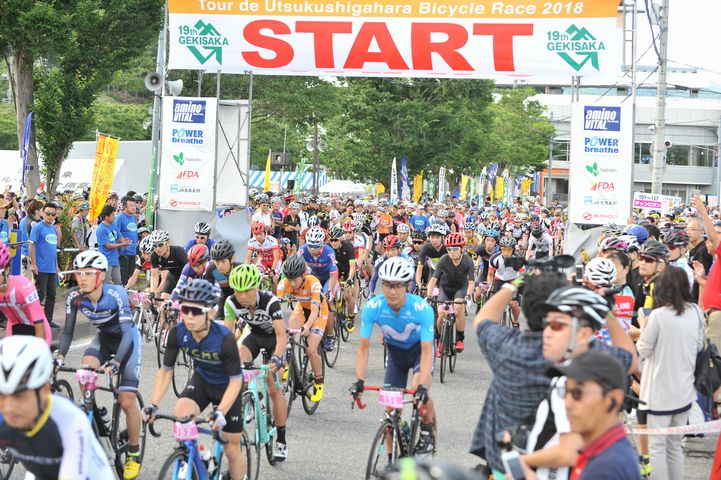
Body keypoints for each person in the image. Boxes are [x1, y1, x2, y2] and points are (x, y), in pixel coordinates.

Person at [520, 286, 638, 480]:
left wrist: (521, 462)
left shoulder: (573, 381)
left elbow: (569, 452)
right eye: (546, 324)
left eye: (557, 326)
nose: (547, 333)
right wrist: (607, 312)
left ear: (583, 335)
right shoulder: (602, 355)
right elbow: (631, 359)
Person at [143, 279, 247, 479]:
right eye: (185, 309)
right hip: (203, 381)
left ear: (211, 312)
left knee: (232, 449)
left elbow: (236, 381)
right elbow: (166, 371)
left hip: (227, 388)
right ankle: (203, 456)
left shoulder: (225, 338)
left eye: (197, 310)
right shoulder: (178, 332)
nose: (189, 316)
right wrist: (153, 405)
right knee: (181, 418)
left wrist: (221, 412)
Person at [470, 272, 569, 477]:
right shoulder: (578, 355)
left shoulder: (508, 347)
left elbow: (482, 319)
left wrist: (513, 285)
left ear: (525, 309)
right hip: (556, 466)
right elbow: (627, 358)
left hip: (506, 461)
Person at [56, 250, 143, 479]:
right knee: (84, 374)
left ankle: (133, 452)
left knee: (126, 400)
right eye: (78, 272)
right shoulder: (74, 297)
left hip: (127, 342)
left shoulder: (117, 294)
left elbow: (126, 334)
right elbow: (67, 333)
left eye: (88, 273)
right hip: (104, 339)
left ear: (101, 275)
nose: (81, 277)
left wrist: (116, 363)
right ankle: (94, 415)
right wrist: (60, 357)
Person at [351, 256, 437, 455]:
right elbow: (363, 348)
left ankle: (427, 430)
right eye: (387, 285)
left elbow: (426, 350)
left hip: (418, 353)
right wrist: (359, 381)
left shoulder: (421, 309)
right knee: (390, 412)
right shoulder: (373, 307)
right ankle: (391, 462)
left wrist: (423, 386)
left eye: (397, 286)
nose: (392, 291)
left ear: (407, 286)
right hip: (396, 356)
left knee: (418, 393)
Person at [0, 336, 114, 479]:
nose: (8, 407)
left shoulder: (69, 420)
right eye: (1, 396)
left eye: (20, 396)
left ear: (44, 391)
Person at [636, 266, 704, 480]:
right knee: (675, 446)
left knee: (657, 447)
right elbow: (700, 345)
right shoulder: (696, 312)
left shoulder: (658, 316)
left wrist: (642, 325)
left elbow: (643, 350)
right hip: (684, 391)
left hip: (658, 393)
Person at [538, 351, 642, 480]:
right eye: (565, 391)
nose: (567, 403)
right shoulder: (603, 452)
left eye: (577, 393)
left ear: (613, 399)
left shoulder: (605, 469)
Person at [224, 264, 289, 461]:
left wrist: (277, 358)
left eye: (247, 291)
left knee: (273, 388)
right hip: (255, 336)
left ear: (257, 287)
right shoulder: (231, 303)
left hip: (274, 341)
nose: (242, 296)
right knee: (238, 359)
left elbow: (281, 336)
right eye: (237, 291)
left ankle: (281, 439)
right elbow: (228, 336)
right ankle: (251, 397)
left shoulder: (270, 302)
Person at [276, 254, 327, 403]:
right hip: (301, 308)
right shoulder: (283, 283)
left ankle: (318, 381)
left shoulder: (314, 283)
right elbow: (275, 308)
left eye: (294, 279)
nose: (291, 283)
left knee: (310, 349)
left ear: (303, 275)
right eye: (289, 278)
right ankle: (287, 364)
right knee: (286, 332)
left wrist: (308, 326)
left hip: (317, 312)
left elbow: (315, 311)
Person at [425, 232, 475, 354]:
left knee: (458, 308)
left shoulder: (468, 261)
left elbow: (472, 281)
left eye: (455, 249)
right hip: (445, 288)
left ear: (462, 249)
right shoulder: (444, 259)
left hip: (460, 288)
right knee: (441, 313)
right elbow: (434, 279)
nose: (451, 252)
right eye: (449, 249)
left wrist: (468, 296)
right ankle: (441, 340)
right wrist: (428, 295)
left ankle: (459, 339)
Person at [0, 241, 52, 345]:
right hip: (14, 328)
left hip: (37, 327)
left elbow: (38, 318)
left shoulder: (23, 285)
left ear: (6, 270)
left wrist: (40, 350)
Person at [29, 202, 61, 329]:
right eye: (47, 213)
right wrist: (33, 264)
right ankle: (33, 321)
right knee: (39, 295)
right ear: (42, 213)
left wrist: (57, 266)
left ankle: (48, 320)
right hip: (41, 268)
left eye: (53, 214)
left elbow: (54, 249)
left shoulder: (53, 228)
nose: (50, 216)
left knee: (52, 295)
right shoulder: (37, 227)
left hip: (52, 268)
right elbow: (32, 246)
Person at [96, 204, 131, 285]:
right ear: (107, 216)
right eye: (112, 215)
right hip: (105, 260)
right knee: (106, 282)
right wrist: (122, 244)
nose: (114, 217)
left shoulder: (113, 225)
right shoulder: (101, 229)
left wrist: (125, 240)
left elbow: (119, 236)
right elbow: (107, 246)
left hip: (115, 259)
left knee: (118, 281)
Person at [115, 195, 139, 286]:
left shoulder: (133, 217)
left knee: (131, 279)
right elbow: (115, 233)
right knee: (123, 280)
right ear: (125, 207)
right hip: (123, 253)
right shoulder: (119, 218)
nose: (134, 207)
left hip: (132, 252)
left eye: (134, 205)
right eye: (131, 205)